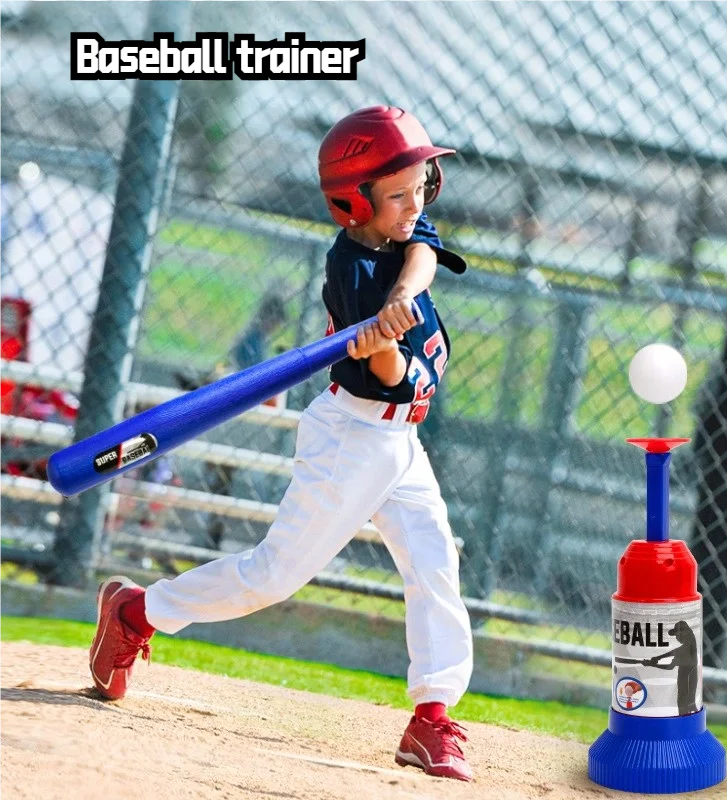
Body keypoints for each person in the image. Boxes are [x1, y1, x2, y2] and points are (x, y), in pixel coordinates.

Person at [88, 106, 474, 782]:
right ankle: (136, 611)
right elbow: (387, 379)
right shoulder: (351, 268)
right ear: (354, 202)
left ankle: (432, 717)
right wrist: (382, 342)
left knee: (435, 563)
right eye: (399, 192)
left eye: (424, 184)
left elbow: (424, 253)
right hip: (354, 437)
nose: (417, 203)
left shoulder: (401, 236)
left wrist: (403, 300)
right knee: (273, 576)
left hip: (402, 446)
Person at [174, 293, 288, 550]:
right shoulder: (252, 341)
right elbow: (252, 379)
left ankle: (213, 532)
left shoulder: (257, 340)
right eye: (274, 320)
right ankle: (211, 533)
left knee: (222, 478)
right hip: (233, 417)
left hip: (240, 418)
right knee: (220, 477)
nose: (275, 326)